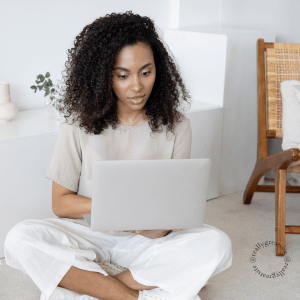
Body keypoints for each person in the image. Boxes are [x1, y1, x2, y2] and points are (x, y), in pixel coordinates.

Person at [4, 11, 232, 300]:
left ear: (158, 71)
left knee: (217, 244)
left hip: (145, 242)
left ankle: (94, 284)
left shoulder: (177, 126)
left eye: (146, 72)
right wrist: (115, 208)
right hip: (88, 237)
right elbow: (60, 204)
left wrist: (155, 227)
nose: (136, 86)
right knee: (19, 238)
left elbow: (178, 212)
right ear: (103, 76)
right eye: (123, 76)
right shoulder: (77, 123)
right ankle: (132, 294)